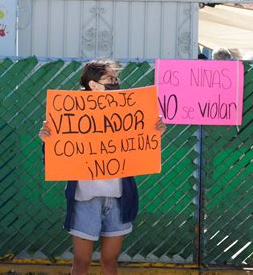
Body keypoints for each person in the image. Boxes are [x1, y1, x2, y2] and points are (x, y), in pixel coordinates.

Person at [38, 60, 166, 275]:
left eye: (116, 79)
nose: (115, 83)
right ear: (92, 84)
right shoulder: (71, 112)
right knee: (81, 261)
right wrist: (47, 141)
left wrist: (154, 132)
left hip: (118, 198)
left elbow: (138, 147)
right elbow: (53, 160)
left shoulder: (128, 110)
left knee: (110, 261)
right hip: (85, 199)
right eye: (109, 79)